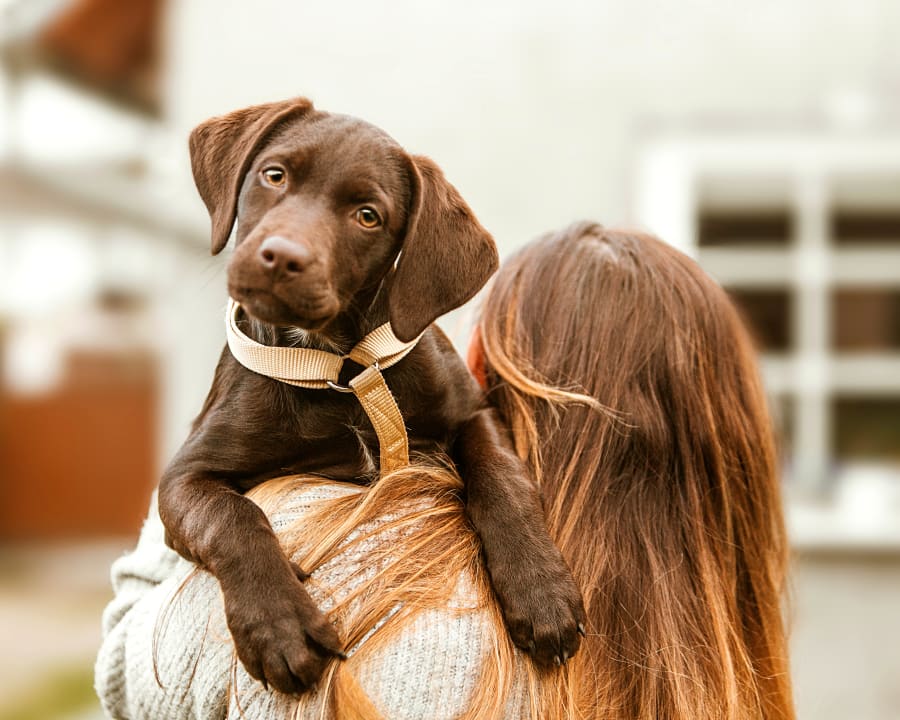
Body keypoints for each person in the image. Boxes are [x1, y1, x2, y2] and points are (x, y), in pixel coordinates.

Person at [96, 222, 795, 720]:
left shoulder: (331, 562)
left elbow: (128, 672)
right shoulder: (721, 668)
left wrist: (204, 465)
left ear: (485, 370)